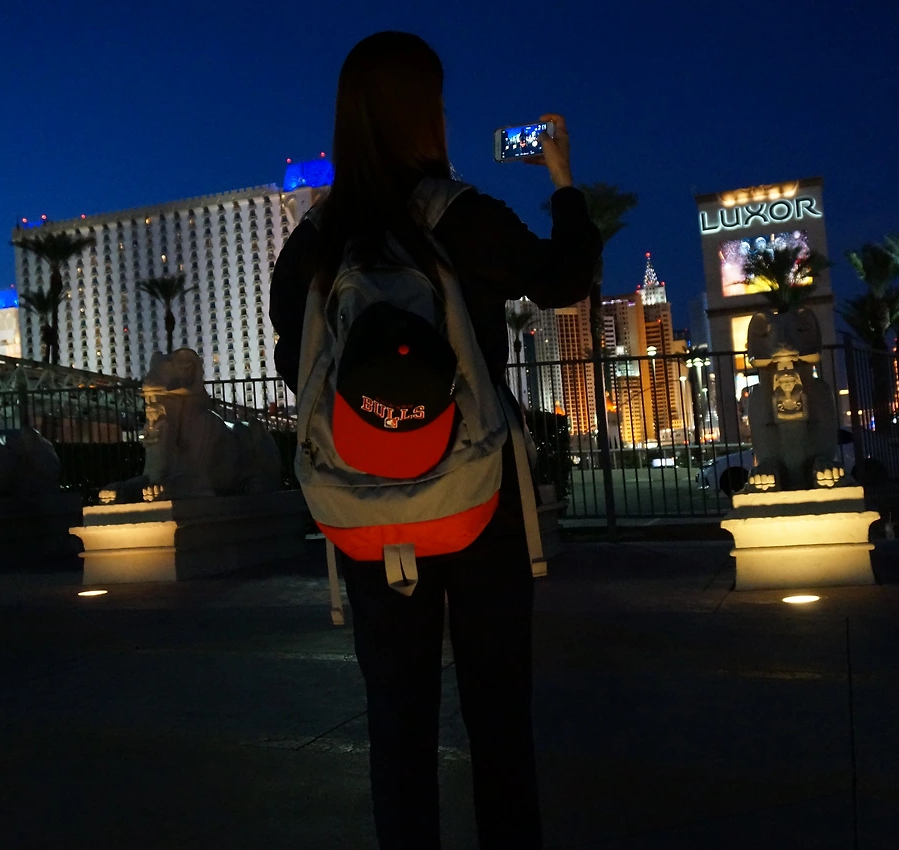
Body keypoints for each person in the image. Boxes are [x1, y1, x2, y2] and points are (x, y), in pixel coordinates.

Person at [270, 31, 602, 850]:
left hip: (366, 507)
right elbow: (566, 278)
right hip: (479, 496)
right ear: (426, 116)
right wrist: (562, 180)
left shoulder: (315, 242)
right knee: (499, 717)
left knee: (397, 722)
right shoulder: (460, 217)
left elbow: (292, 359)